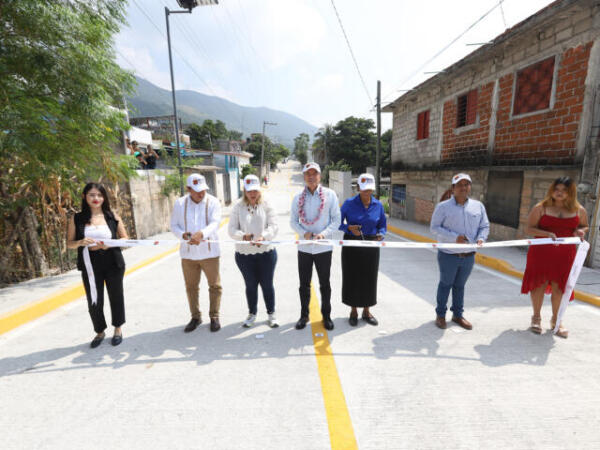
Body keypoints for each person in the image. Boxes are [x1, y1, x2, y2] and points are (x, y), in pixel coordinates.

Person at [521, 177, 589, 338]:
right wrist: (546, 234)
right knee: (539, 284)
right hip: (541, 253)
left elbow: (584, 225)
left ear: (570, 193)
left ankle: (556, 321)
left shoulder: (579, 210)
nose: (559, 193)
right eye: (556, 189)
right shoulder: (541, 208)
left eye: (563, 190)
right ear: (552, 190)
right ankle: (536, 318)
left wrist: (580, 232)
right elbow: (529, 229)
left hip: (565, 255)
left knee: (560, 287)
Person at [66, 183, 128, 348]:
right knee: (94, 299)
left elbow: (125, 238)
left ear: (104, 198)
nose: (96, 198)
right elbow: (69, 244)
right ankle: (99, 331)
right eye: (92, 195)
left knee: (116, 296)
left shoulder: (111, 216)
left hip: (113, 262)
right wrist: (80, 242)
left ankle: (118, 329)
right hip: (90, 264)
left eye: (99, 195)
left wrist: (110, 244)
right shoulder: (76, 218)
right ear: (84, 197)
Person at [430, 173, 489, 330]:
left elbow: (484, 226)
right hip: (449, 254)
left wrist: (482, 238)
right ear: (453, 188)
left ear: (469, 187)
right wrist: (454, 237)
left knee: (460, 286)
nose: (463, 188)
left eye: (466, 184)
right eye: (459, 185)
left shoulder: (478, 206)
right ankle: (440, 315)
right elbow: (434, 228)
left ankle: (457, 315)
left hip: (469, 255)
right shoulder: (443, 207)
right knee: (445, 284)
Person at [290, 162, 341, 331]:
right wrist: (304, 233)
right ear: (304, 176)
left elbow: (336, 220)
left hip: (323, 247)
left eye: (314, 173)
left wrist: (323, 234)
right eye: (307, 174)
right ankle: (304, 315)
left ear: (320, 175)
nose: (311, 177)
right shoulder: (298, 198)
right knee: (304, 284)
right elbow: (293, 221)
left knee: (324, 283)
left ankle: (326, 315)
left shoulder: (330, 195)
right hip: (304, 247)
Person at [170, 173, 223, 333]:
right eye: (197, 190)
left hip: (210, 252)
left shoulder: (213, 201)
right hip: (188, 254)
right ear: (188, 189)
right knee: (191, 287)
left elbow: (215, 222)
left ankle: (214, 316)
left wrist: (202, 233)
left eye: (203, 190)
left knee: (215, 285)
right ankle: (195, 316)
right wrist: (184, 235)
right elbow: (174, 225)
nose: (201, 193)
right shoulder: (180, 203)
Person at [228, 174, 279, 328]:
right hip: (244, 255)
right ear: (244, 190)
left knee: (267, 284)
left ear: (260, 190)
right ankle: (252, 313)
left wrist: (263, 236)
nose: (252, 194)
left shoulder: (267, 204)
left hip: (266, 253)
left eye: (255, 191)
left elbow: (274, 225)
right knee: (250, 285)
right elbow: (231, 229)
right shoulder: (237, 206)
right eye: (249, 191)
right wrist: (243, 236)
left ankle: (271, 314)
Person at [339, 173, 387, 326]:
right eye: (364, 189)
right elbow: (336, 223)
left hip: (371, 244)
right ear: (358, 188)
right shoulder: (348, 203)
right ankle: (353, 310)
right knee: (352, 276)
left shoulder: (378, 205)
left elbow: (383, 225)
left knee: (369, 277)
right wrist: (348, 228)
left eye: (370, 190)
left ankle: (367, 311)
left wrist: (381, 234)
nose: (367, 193)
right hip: (352, 243)